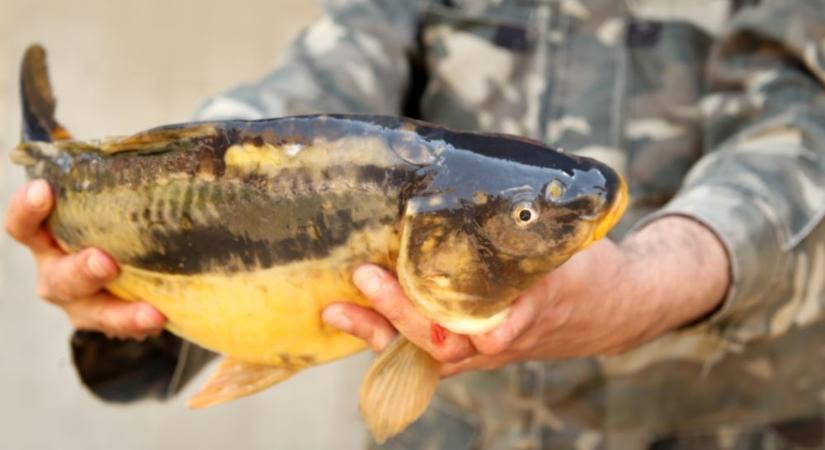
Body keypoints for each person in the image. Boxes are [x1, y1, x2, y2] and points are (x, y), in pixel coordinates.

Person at [6, 0, 825, 448]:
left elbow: (805, 122)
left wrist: (652, 282)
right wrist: (142, 241)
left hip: (734, 427)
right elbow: (324, 78)